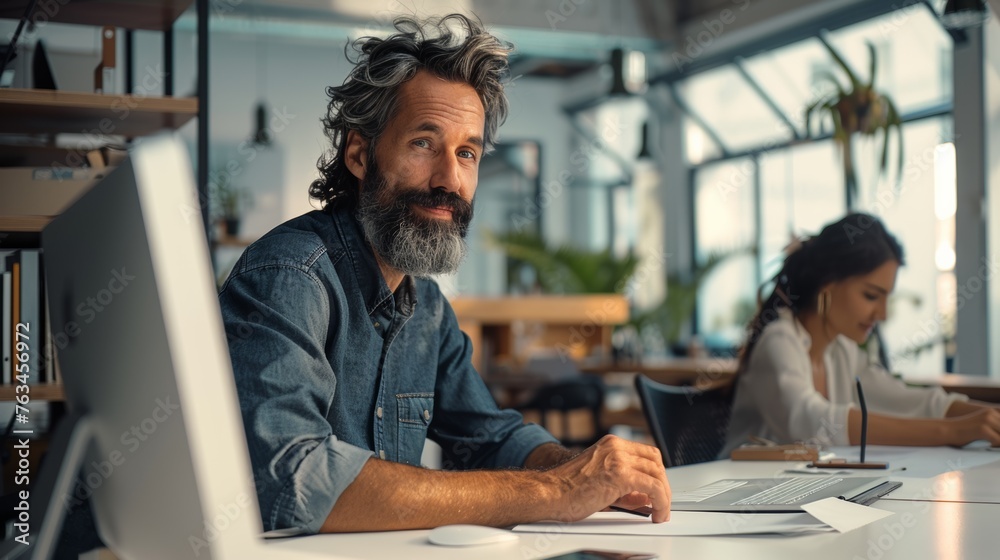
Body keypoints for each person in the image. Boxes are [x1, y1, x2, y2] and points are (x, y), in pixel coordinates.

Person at [218, 14, 670, 534]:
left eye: (467, 153)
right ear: (360, 155)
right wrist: (558, 491)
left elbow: (492, 439)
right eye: (423, 144)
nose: (450, 180)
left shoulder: (427, 307)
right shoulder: (290, 277)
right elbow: (291, 481)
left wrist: (586, 472)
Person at [722, 213, 1000, 458]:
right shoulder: (780, 341)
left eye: (886, 298)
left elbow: (908, 401)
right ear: (827, 284)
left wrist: (988, 418)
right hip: (740, 491)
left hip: (803, 490)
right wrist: (952, 431)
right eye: (871, 296)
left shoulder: (840, 351)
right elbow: (813, 424)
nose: (882, 315)